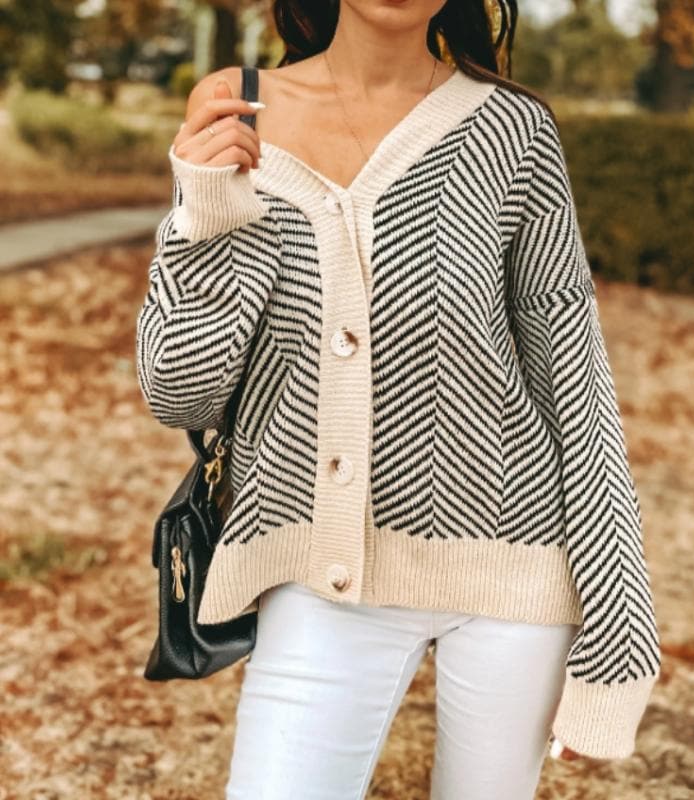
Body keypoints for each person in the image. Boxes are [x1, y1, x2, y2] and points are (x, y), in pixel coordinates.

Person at [134, 1, 661, 798]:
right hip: (319, 577)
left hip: (513, 574)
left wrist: (619, 638)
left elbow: (576, 387)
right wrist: (205, 216)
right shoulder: (237, 110)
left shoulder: (513, 131)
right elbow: (182, 394)